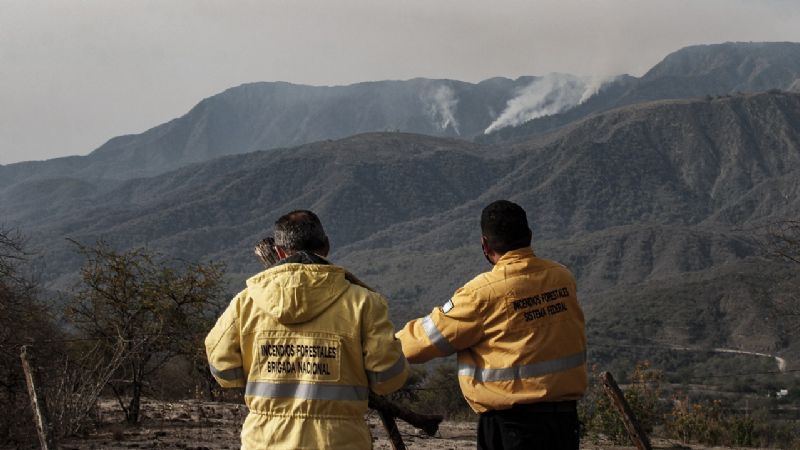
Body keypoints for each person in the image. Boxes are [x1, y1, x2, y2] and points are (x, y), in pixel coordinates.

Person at [206, 210, 408, 449]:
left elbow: (223, 370)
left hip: (265, 441)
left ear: (279, 252)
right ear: (326, 246)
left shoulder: (246, 301)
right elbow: (388, 378)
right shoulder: (364, 302)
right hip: (340, 442)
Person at [397, 200, 587, 450]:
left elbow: (416, 347)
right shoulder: (563, 277)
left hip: (512, 428)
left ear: (484, 244)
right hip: (564, 424)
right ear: (529, 236)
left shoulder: (481, 294)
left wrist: (374, 342)